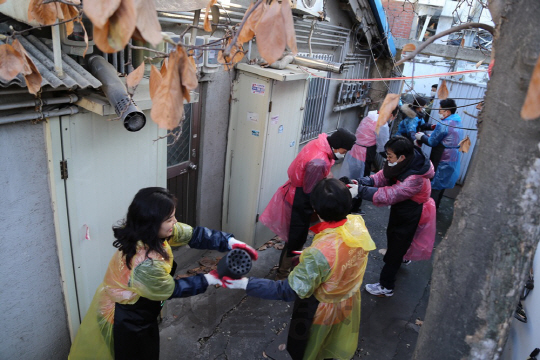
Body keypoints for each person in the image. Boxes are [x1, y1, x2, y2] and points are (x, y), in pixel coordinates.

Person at [68, 187, 257, 360]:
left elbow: (192, 235)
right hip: (125, 319)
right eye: (169, 219)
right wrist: (209, 278)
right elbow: (169, 288)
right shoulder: (144, 264)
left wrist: (229, 242)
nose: (174, 222)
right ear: (150, 223)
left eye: (173, 216)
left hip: (142, 309)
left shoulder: (153, 233)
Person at [224, 178, 376, 360]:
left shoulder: (319, 254)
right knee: (334, 341)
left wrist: (245, 283)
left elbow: (289, 290)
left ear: (316, 210)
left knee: (310, 347)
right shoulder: (356, 224)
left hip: (320, 309)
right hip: (348, 299)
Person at [260, 128, 356, 280]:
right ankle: (283, 275)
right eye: (345, 150)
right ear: (339, 145)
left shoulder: (320, 144)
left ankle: (290, 267)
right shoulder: (318, 162)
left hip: (297, 192)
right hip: (300, 199)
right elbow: (310, 191)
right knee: (296, 238)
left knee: (296, 237)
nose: (344, 154)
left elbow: (321, 177)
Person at [355, 136, 435, 297]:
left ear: (402, 157)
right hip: (403, 206)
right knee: (398, 239)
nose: (387, 158)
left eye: (390, 156)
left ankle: (386, 286)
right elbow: (382, 176)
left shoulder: (415, 178)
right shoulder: (402, 162)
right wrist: (360, 182)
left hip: (411, 209)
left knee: (397, 244)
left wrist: (359, 191)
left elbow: (391, 194)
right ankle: (402, 257)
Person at [339, 108, 394, 213]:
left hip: (354, 150)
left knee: (351, 178)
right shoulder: (382, 123)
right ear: (391, 114)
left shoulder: (370, 116)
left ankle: (345, 205)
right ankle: (353, 208)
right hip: (365, 153)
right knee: (361, 181)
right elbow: (383, 145)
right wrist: (389, 156)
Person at [415, 98, 463, 208]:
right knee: (442, 185)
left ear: (447, 111)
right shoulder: (458, 122)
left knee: (435, 186)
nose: (439, 112)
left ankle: (428, 210)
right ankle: (435, 208)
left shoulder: (444, 124)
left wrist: (421, 137)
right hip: (453, 158)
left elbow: (432, 142)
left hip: (442, 157)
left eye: (440, 110)